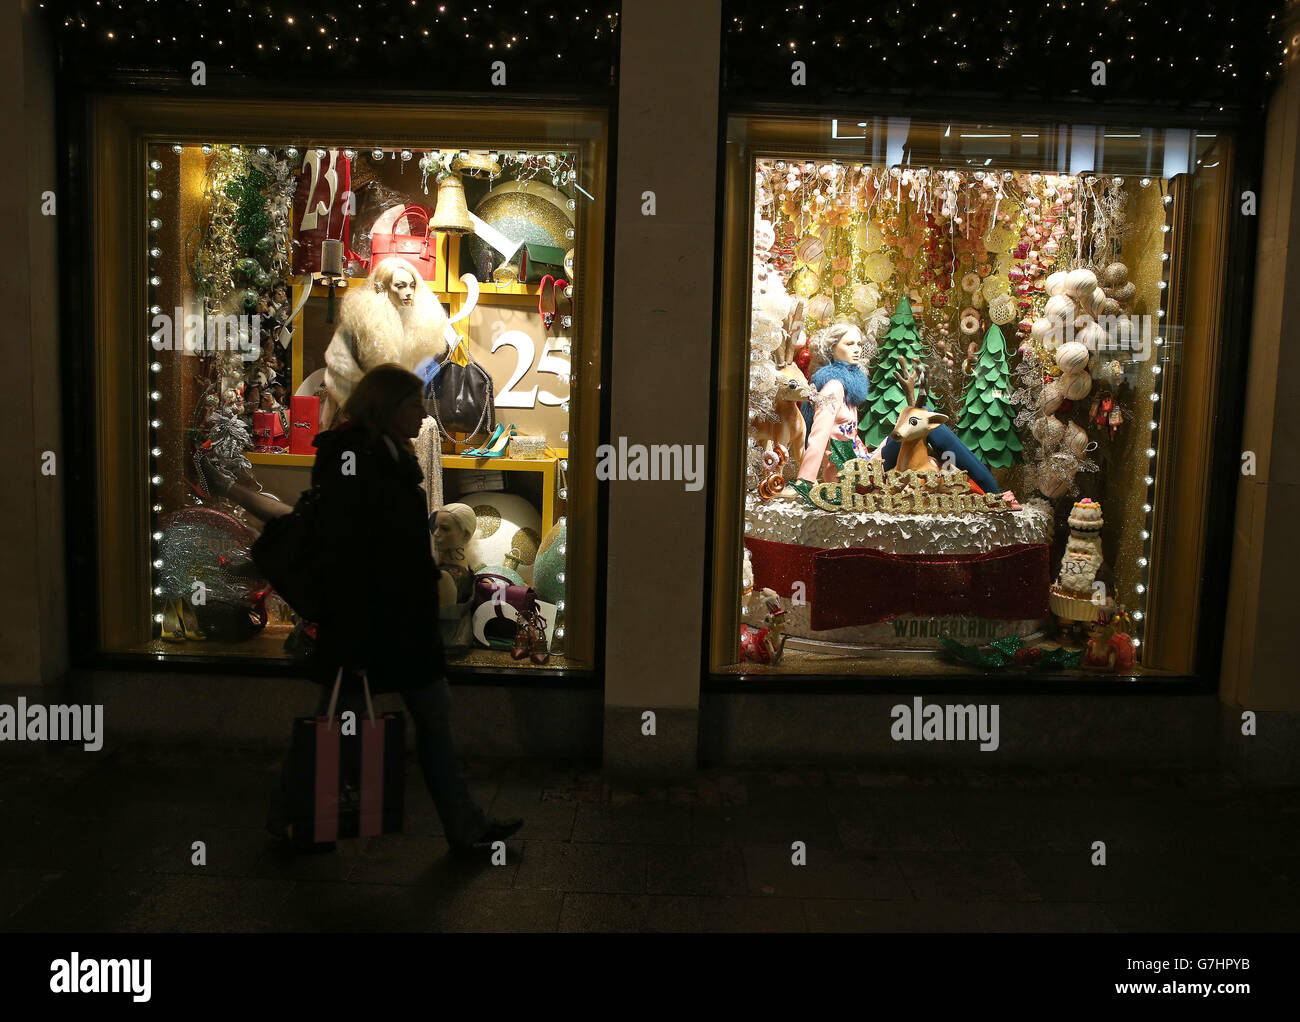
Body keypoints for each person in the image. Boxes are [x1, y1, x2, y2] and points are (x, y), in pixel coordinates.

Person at [259, 363, 522, 856]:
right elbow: (349, 553)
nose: (422, 413)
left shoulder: (384, 454)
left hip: (398, 621)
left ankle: (462, 827)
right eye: (413, 403)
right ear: (387, 406)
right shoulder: (351, 457)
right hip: (370, 623)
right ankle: (295, 818)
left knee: (418, 720)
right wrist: (357, 633)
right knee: (345, 719)